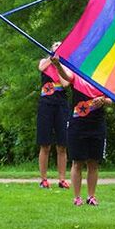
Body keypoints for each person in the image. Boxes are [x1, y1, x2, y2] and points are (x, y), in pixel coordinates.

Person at [52, 56, 110, 206]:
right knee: (77, 162)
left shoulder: (103, 77)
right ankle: (77, 197)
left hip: (97, 124)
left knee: (93, 163)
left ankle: (91, 196)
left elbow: (112, 99)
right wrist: (58, 65)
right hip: (77, 124)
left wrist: (103, 100)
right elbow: (66, 77)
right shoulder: (77, 75)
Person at [36, 44, 70, 189]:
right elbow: (41, 68)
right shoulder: (44, 62)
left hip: (61, 106)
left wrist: (59, 65)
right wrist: (52, 59)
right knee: (45, 145)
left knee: (62, 145)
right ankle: (43, 179)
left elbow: (65, 84)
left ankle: (62, 179)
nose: (58, 48)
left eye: (60, 47)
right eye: (55, 46)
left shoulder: (67, 67)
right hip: (45, 105)